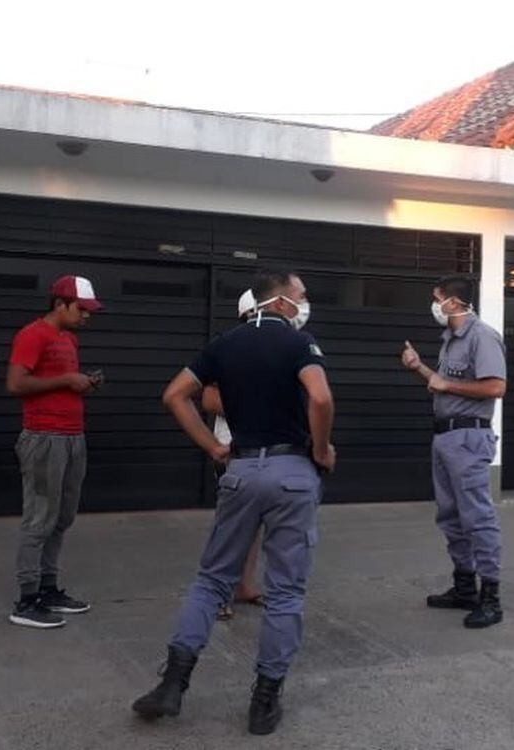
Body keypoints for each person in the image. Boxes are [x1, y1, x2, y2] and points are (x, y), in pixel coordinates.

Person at [132, 269, 335, 736]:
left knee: (210, 581)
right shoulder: (299, 345)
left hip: (240, 470)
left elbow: (175, 395)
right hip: (292, 473)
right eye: (300, 297)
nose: (304, 304)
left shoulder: (224, 344)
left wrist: (212, 446)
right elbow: (320, 398)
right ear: (280, 302)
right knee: (285, 591)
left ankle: (172, 685)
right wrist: (321, 450)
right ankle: (264, 703)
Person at [401, 275, 507, 629]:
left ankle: (490, 596)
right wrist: (419, 368)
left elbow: (496, 386)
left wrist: (446, 383)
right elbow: (444, 388)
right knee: (450, 515)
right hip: (445, 438)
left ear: (455, 302)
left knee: (477, 516)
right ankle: (465, 587)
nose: (434, 304)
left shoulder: (482, 336)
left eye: (437, 298)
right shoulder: (449, 340)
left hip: (468, 438)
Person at [5, 275, 105, 630]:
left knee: (62, 516)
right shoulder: (33, 335)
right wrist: (66, 381)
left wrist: (82, 383)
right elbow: (15, 383)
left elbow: (59, 383)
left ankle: (48, 589)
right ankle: (27, 599)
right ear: (60, 304)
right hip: (44, 437)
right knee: (39, 517)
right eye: (82, 309)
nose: (86, 316)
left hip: (72, 436)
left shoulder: (67, 338)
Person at [204, 289, 263, 620]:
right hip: (232, 448)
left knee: (254, 525)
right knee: (229, 525)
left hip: (264, 449)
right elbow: (210, 401)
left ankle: (245, 586)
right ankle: (218, 594)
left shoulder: (276, 349)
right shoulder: (227, 349)